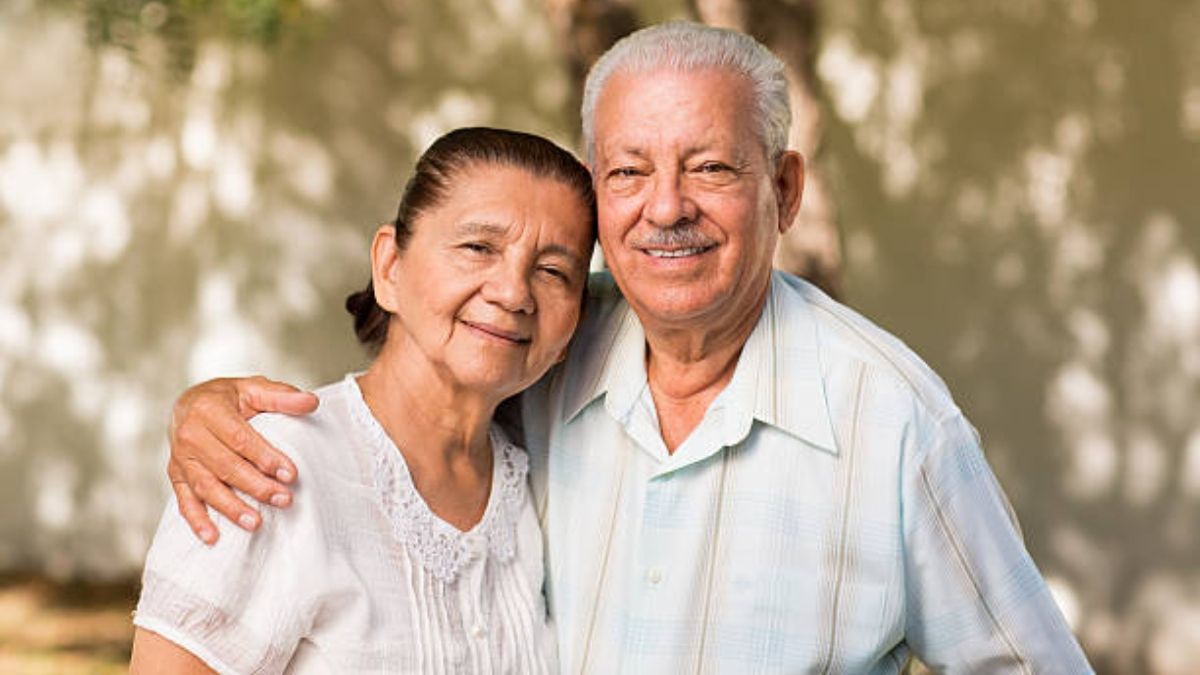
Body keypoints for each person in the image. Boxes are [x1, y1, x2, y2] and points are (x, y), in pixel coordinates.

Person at [164, 22, 1094, 673]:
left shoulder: (896, 425)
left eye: (712, 167)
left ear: (786, 190)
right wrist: (207, 405)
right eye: (628, 172)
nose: (665, 208)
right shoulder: (548, 342)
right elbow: (438, 342)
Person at [130, 127, 597, 673]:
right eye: (478, 247)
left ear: (575, 324)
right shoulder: (268, 467)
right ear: (390, 268)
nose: (514, 292)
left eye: (552, 271)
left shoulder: (536, 487)